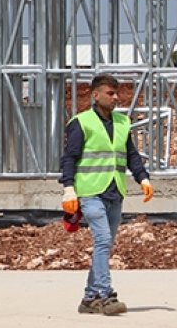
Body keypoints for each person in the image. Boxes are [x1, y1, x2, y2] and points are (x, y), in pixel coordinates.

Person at [59, 74, 154, 315]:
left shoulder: (123, 122)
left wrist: (142, 178)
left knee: (105, 244)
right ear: (95, 95)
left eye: (116, 93)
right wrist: (68, 188)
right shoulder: (81, 122)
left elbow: (131, 154)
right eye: (110, 93)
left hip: (115, 192)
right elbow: (69, 157)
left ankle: (89, 298)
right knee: (102, 240)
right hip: (90, 192)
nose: (115, 98)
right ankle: (105, 294)